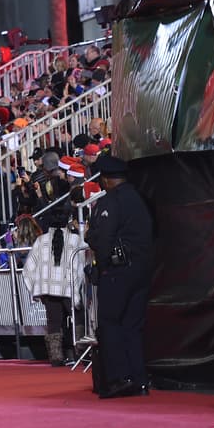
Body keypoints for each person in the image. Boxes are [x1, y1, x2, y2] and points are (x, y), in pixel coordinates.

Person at [85, 154, 153, 398]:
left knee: (110, 323)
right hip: (142, 270)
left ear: (104, 179)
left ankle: (119, 378)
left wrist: (101, 265)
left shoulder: (110, 202)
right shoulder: (139, 198)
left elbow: (102, 239)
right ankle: (139, 379)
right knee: (132, 326)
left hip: (117, 270)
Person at [23, 215, 88, 366]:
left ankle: (56, 358)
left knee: (53, 322)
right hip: (69, 286)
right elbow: (85, 260)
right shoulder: (75, 239)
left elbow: (29, 268)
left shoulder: (41, 240)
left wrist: (36, 286)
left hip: (48, 288)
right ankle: (81, 353)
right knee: (78, 318)